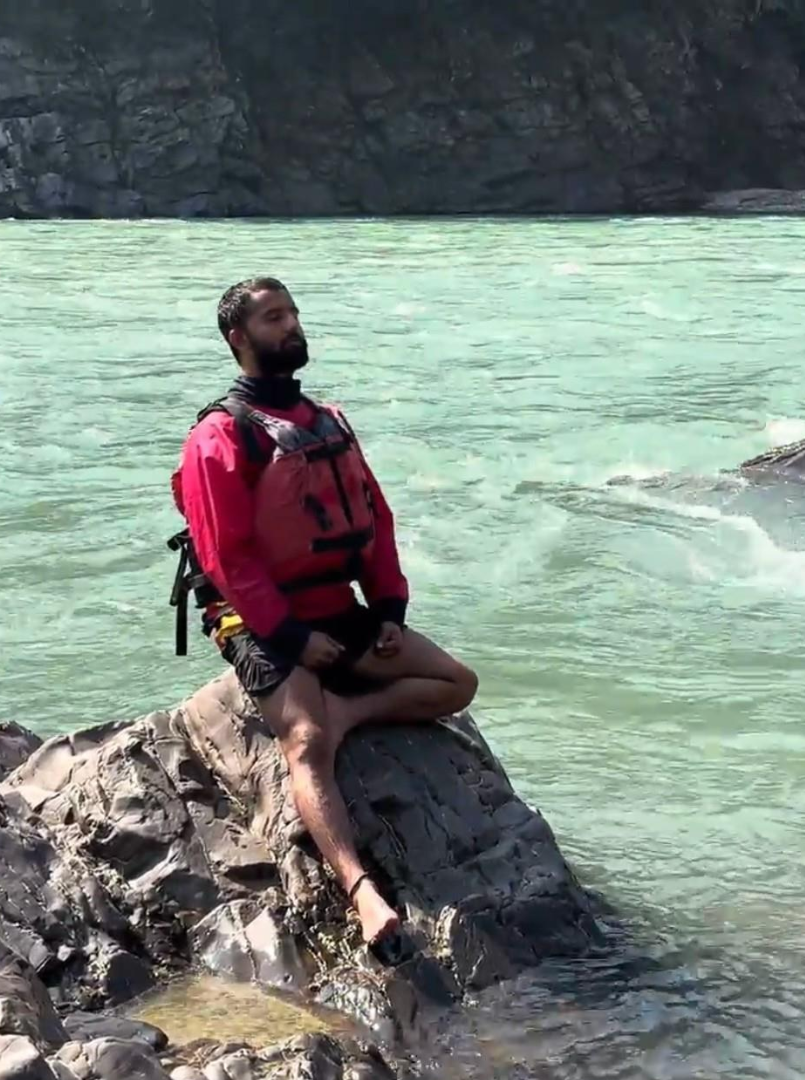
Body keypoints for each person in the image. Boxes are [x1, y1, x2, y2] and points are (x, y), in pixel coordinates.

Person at [169, 276, 478, 960]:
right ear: (238, 339)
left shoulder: (328, 421)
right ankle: (363, 890)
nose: (292, 326)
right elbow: (227, 559)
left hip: (336, 603)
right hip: (255, 617)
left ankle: (350, 714)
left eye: (293, 313)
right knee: (305, 741)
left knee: (456, 684)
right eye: (274, 318)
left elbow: (376, 518)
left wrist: (389, 608)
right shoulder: (220, 437)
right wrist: (290, 639)